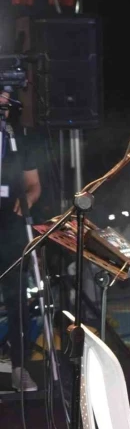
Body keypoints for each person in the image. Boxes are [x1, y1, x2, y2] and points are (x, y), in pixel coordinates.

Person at [0, 87, 41, 391]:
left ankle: (19, 366)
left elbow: (33, 184)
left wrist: (27, 198)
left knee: (16, 296)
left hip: (10, 224)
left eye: (6, 94)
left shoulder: (17, 139)